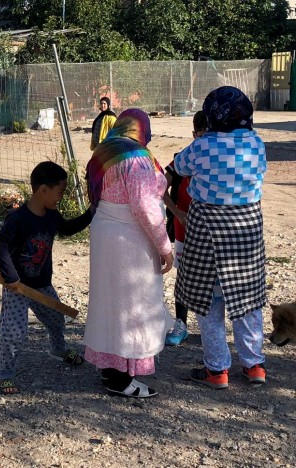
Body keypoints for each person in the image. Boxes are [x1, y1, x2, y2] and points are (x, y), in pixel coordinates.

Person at [174, 86, 268, 389]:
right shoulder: (256, 143)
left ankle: (217, 371)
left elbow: (179, 167)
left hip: (207, 233)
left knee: (209, 302)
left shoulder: (202, 146)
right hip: (247, 233)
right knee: (248, 301)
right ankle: (254, 366)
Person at [83, 108, 174, 399]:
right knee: (131, 305)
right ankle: (122, 378)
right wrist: (165, 247)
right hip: (129, 240)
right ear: (141, 130)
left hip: (105, 234)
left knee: (109, 303)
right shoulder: (136, 159)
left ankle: (110, 368)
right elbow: (146, 208)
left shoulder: (103, 152)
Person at [0, 161, 93, 395]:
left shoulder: (51, 215)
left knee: (56, 320)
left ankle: (58, 349)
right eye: (59, 192)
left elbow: (67, 229)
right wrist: (11, 277)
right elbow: (1, 246)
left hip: (42, 285)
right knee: (14, 332)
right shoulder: (18, 219)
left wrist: (90, 214)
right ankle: (4, 374)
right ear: (43, 190)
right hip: (18, 287)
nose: (61, 197)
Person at [162, 110, 209, 346]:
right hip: (185, 229)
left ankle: (210, 328)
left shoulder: (220, 159)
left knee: (213, 278)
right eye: (202, 136)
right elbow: (159, 185)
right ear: (194, 134)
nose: (206, 141)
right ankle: (181, 323)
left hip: (212, 231)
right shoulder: (183, 159)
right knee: (184, 277)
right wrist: (176, 212)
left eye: (210, 135)